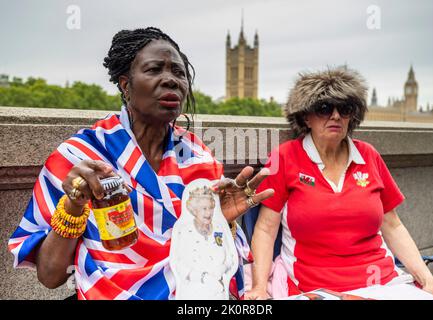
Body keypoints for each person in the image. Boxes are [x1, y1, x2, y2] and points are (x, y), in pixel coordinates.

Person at [8, 27, 273, 300]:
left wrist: (221, 223)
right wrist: (75, 204)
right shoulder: (81, 156)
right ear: (125, 84)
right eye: (154, 69)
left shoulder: (200, 159)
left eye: (179, 73)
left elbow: (215, 269)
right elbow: (51, 277)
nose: (171, 80)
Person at [246, 67, 433, 299]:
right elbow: (266, 229)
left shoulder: (368, 155)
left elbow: (393, 225)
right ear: (306, 116)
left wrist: (427, 279)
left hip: (383, 284)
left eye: (344, 109)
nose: (335, 116)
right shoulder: (285, 157)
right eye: (324, 108)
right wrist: (258, 287)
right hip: (316, 288)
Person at [170, 183, 238, 299]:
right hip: (192, 294)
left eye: (211, 208)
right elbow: (178, 264)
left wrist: (221, 269)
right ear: (194, 210)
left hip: (220, 292)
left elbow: (230, 258)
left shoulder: (219, 228)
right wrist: (203, 277)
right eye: (204, 209)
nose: (209, 213)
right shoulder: (184, 231)